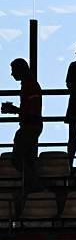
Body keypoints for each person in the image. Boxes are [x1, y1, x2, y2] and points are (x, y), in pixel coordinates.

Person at [1, 59, 43, 193]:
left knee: (18, 159)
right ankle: (33, 188)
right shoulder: (30, 85)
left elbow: (31, 110)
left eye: (13, 71)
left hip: (29, 126)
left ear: (20, 70)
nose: (12, 74)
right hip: (33, 125)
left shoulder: (29, 85)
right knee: (29, 160)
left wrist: (15, 110)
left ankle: (35, 186)